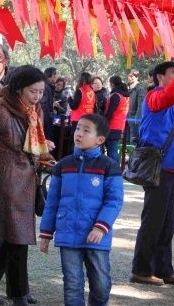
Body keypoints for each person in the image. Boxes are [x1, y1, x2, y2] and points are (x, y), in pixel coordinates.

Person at [0, 65, 53, 306]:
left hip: (26, 180)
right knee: (18, 237)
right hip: (5, 182)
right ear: (19, 89)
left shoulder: (34, 110)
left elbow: (34, 145)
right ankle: (19, 293)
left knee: (14, 236)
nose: (38, 97)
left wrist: (43, 156)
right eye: (33, 91)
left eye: (41, 92)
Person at [39, 114, 124, 306]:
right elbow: (52, 202)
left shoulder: (109, 166)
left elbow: (114, 201)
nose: (79, 133)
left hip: (96, 236)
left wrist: (101, 227)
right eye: (78, 128)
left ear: (100, 140)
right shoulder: (63, 165)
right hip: (68, 234)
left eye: (86, 130)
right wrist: (46, 233)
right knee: (72, 285)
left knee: (101, 285)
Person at [130, 58, 174, 286]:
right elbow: (170, 95)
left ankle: (163, 269)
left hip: (170, 169)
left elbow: (171, 134)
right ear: (160, 77)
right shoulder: (155, 97)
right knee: (153, 222)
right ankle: (141, 269)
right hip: (159, 168)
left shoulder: (172, 105)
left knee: (167, 223)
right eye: (173, 72)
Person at [103, 75, 130, 163]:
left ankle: (114, 170)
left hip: (111, 126)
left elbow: (110, 112)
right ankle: (116, 169)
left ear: (112, 84)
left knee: (112, 150)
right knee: (113, 149)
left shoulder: (116, 96)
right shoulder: (125, 96)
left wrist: (103, 123)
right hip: (119, 125)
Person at [126, 69, 145, 145]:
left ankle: (133, 156)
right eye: (129, 76)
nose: (130, 78)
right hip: (127, 116)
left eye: (132, 76)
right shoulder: (127, 88)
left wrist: (138, 117)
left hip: (135, 117)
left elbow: (141, 104)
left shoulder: (140, 89)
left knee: (134, 139)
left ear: (137, 77)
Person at [40, 67, 57, 141]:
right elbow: (43, 105)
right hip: (45, 119)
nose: (56, 77)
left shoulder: (48, 86)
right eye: (56, 75)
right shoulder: (46, 87)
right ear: (52, 75)